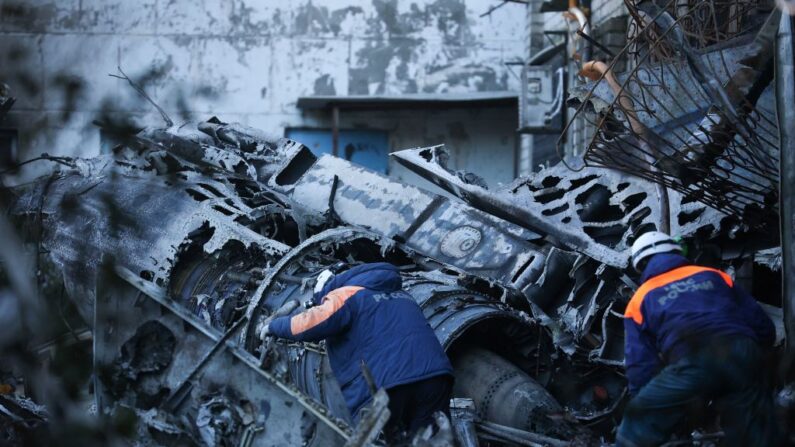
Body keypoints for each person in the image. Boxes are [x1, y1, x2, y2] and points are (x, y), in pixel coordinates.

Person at [260, 262, 454, 442]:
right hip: (436, 379)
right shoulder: (402, 295)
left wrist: (274, 326)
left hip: (387, 386)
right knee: (431, 442)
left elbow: (313, 322)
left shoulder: (344, 293)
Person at [616, 231, 777, 447]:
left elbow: (641, 365)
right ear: (676, 252)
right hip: (744, 353)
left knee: (636, 427)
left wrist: (647, 401)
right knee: (755, 435)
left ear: (641, 265)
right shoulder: (714, 275)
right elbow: (763, 326)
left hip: (694, 359)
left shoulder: (640, 299)